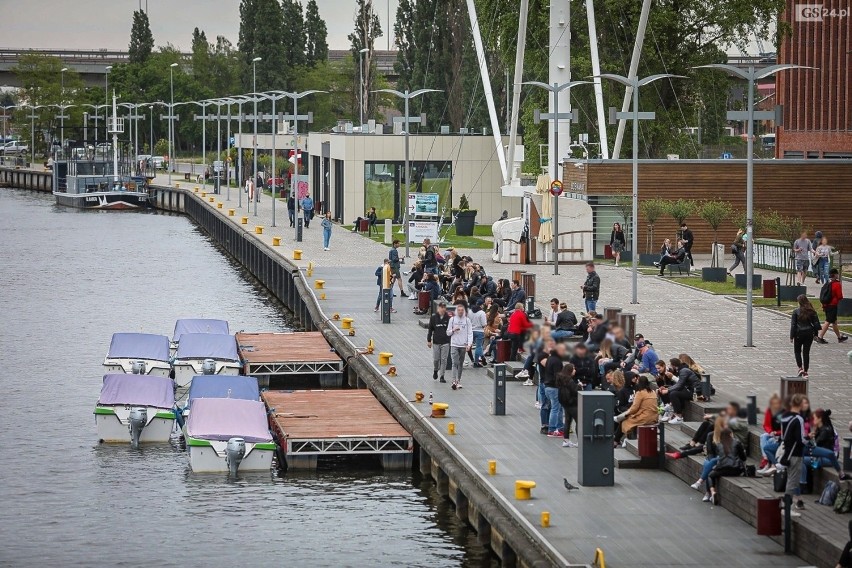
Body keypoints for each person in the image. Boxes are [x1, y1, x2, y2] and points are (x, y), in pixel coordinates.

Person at [802, 408, 847, 486]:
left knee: (801, 460)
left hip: (827, 459)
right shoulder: (821, 428)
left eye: (814, 418)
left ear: (820, 419)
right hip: (822, 456)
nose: (812, 421)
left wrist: (810, 438)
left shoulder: (825, 431)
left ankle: (803, 484)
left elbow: (815, 446)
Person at [780, 393, 809, 514]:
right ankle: (786, 506)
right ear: (800, 404)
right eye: (805, 403)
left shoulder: (784, 416)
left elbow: (782, 435)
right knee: (793, 480)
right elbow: (801, 439)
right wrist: (809, 439)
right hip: (795, 453)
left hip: (786, 451)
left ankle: (787, 504)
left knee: (789, 478)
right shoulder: (799, 419)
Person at [706, 428, 746, 505]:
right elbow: (743, 457)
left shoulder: (718, 444)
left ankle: (713, 492)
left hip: (722, 469)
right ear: (730, 434)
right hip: (736, 469)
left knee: (710, 475)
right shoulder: (737, 442)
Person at [615, 375, 658, 445]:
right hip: (654, 417)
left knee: (624, 421)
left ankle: (618, 440)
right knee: (629, 419)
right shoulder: (652, 392)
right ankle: (618, 440)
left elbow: (634, 408)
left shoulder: (640, 393)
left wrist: (626, 414)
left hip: (645, 417)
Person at [659, 358, 699, 424]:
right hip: (688, 389)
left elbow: (680, 384)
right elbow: (679, 384)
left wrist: (668, 390)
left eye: (670, 365)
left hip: (694, 392)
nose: (669, 366)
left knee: (673, 394)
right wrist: (667, 389)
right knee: (669, 390)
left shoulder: (683, 371)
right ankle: (671, 412)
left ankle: (679, 416)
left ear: (673, 365)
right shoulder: (681, 370)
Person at [790, 294, 821, 377]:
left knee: (797, 351)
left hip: (798, 333)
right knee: (806, 352)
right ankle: (806, 370)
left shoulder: (796, 311)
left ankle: (800, 368)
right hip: (809, 333)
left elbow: (793, 325)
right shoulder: (812, 311)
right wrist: (816, 334)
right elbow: (816, 324)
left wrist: (791, 336)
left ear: (799, 302)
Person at [816, 268, 849, 344]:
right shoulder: (837, 284)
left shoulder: (828, 282)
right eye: (837, 274)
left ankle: (839, 337)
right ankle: (820, 337)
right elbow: (840, 296)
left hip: (826, 305)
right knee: (828, 321)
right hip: (832, 305)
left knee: (834, 322)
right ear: (835, 275)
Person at [447, 303, 473, 390]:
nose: (460, 312)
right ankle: (453, 380)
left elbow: (470, 333)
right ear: (456, 311)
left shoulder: (467, 320)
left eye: (462, 310)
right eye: (459, 310)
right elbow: (448, 332)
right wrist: (453, 329)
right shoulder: (452, 319)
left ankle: (458, 380)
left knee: (461, 363)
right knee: (455, 363)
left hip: (463, 345)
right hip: (454, 344)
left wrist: (469, 344)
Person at [543, 342, 567, 437]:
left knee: (558, 408)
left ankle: (560, 428)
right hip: (554, 388)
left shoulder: (550, 358)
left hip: (548, 386)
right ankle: (552, 429)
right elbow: (558, 376)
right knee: (556, 409)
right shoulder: (557, 361)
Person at [757, 394, 784, 475]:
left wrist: (777, 433)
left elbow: (785, 429)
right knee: (763, 436)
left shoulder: (784, 412)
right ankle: (766, 460)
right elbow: (766, 425)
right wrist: (770, 432)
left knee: (769, 443)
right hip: (772, 433)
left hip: (780, 434)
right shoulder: (769, 411)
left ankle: (769, 464)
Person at [557, 363, 580, 447]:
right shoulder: (570, 381)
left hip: (565, 403)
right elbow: (575, 391)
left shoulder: (561, 379)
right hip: (573, 403)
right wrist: (579, 387)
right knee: (579, 421)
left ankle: (566, 440)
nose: (575, 370)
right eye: (573, 369)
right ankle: (579, 441)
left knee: (567, 421)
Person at [427, 301, 451, 383]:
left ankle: (442, 376)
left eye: (444, 307)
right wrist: (429, 340)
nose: (443, 309)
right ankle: (435, 369)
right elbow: (430, 329)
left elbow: (450, 329)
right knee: (436, 359)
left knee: (444, 359)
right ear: (438, 308)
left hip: (445, 342)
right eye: (441, 307)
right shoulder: (434, 318)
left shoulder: (448, 318)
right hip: (436, 341)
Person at [469, 303, 487, 368]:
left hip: (471, 331)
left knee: (469, 346)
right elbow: (484, 324)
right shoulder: (482, 313)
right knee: (478, 346)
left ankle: (481, 357)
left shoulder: (470, 311)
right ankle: (476, 362)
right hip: (480, 331)